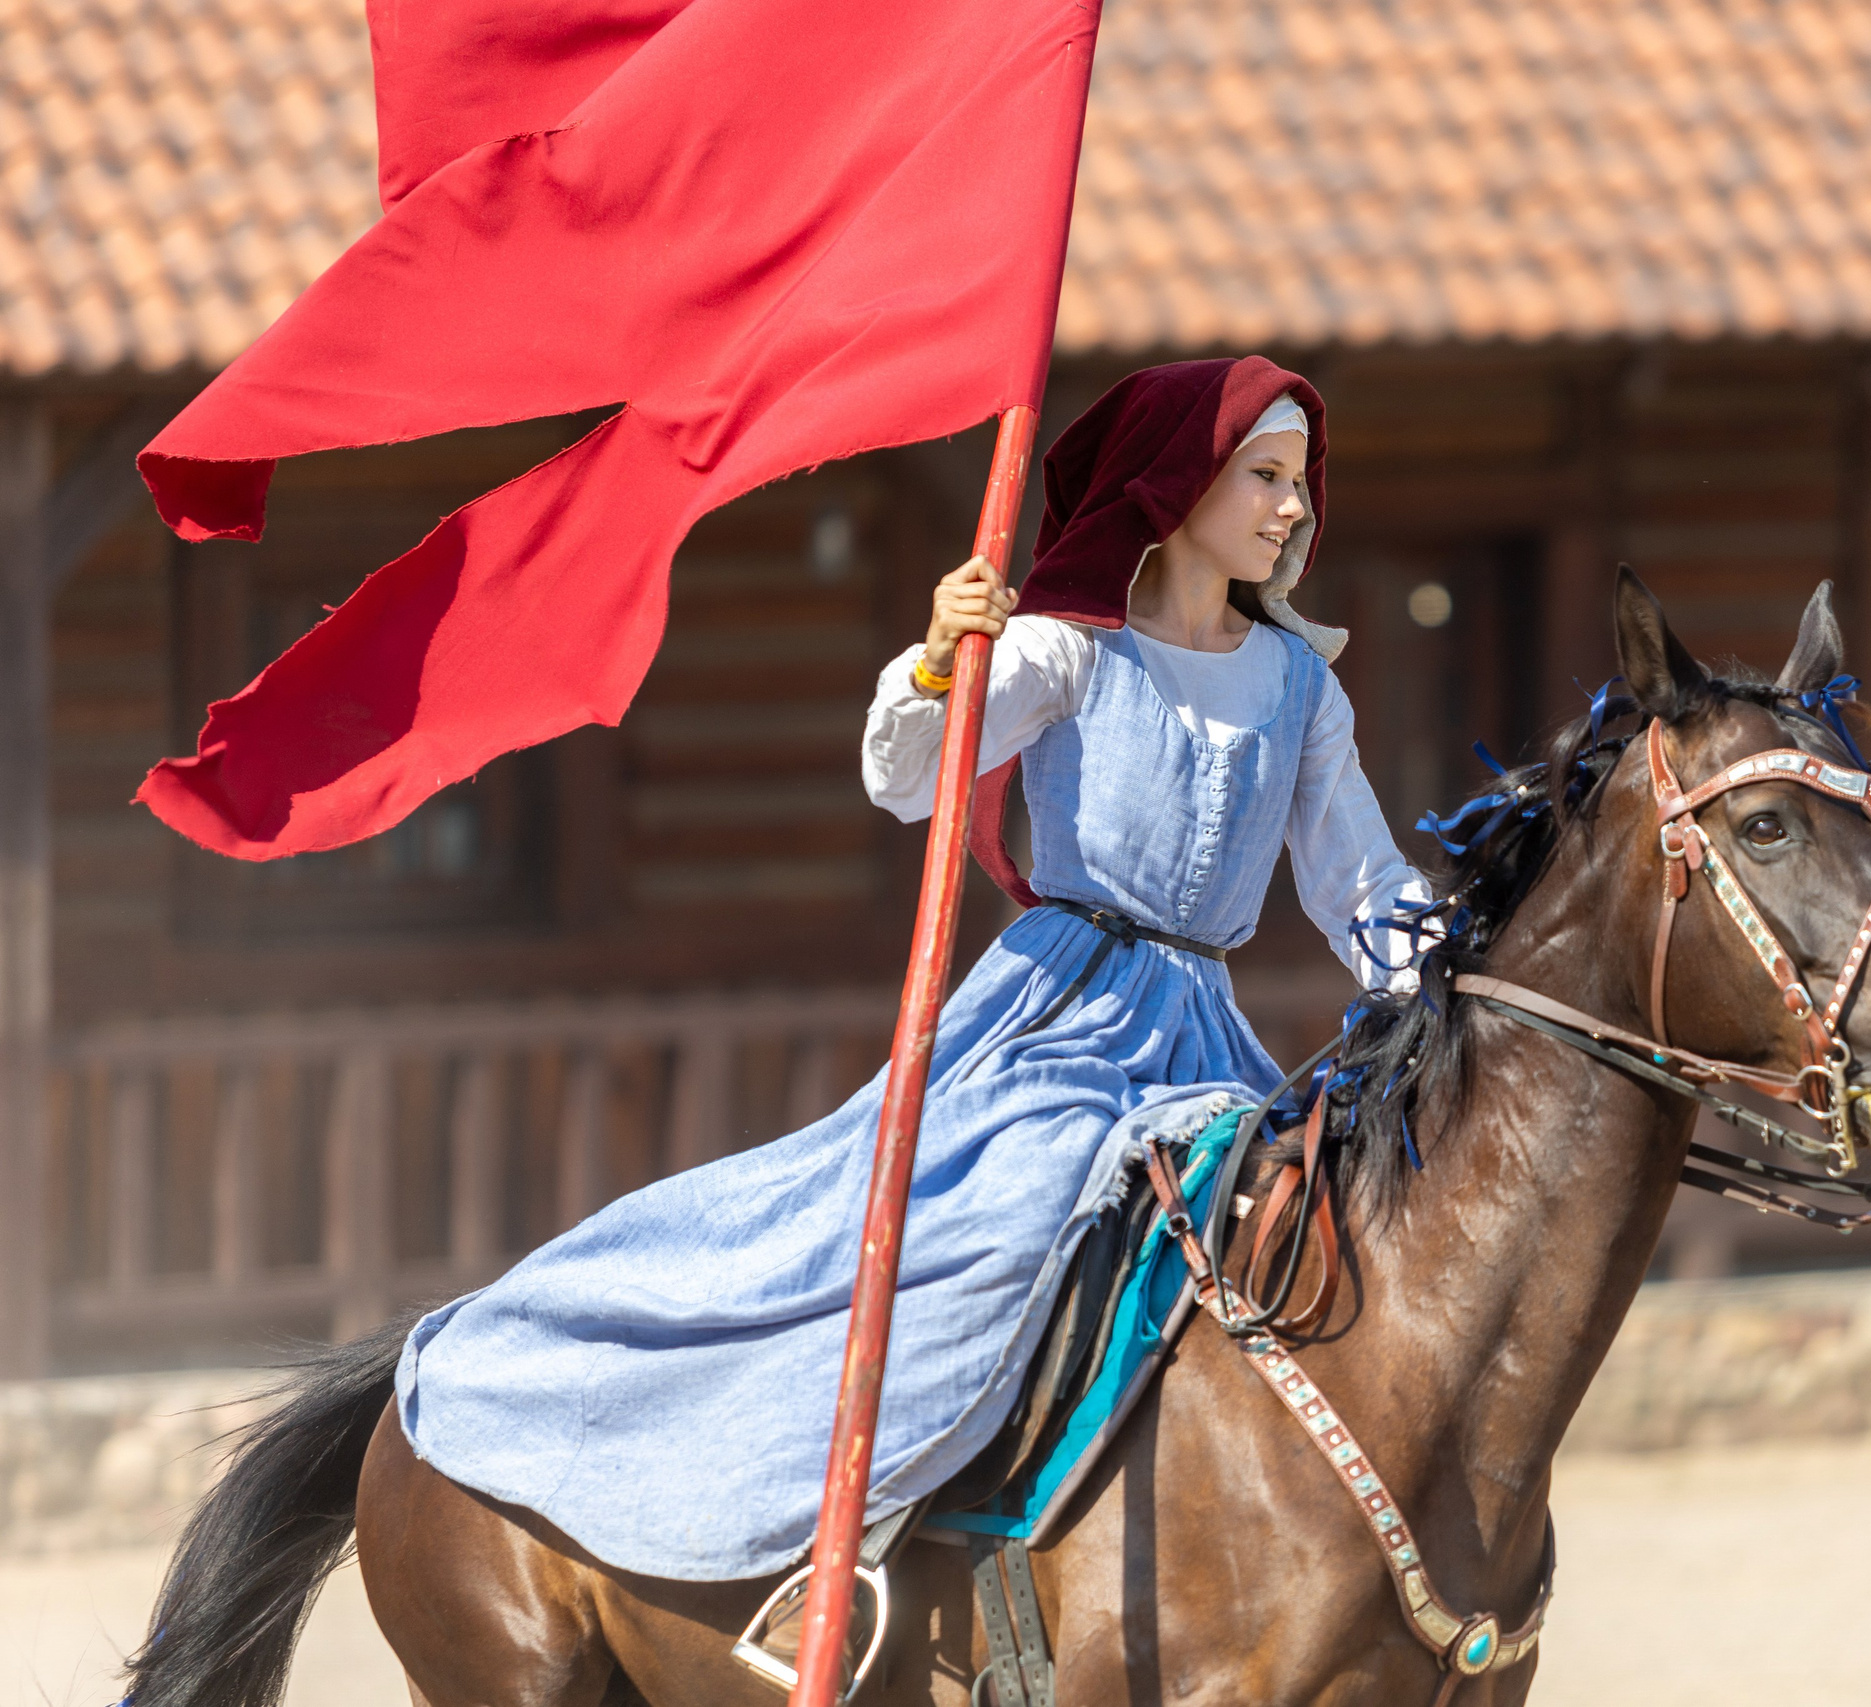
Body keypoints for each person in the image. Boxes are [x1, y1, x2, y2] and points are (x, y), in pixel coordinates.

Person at [392, 356, 1431, 1578]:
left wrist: (1440, 992)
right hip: (1059, 1019)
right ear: (1180, 480)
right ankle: (889, 1536)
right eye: (1263, 476)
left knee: (1282, 1246)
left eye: (1301, 484)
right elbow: (906, 782)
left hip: (1206, 1041)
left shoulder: (1301, 687)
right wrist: (944, 659)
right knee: (999, 1232)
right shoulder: (1067, 651)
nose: (1292, 508)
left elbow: (1360, 877)